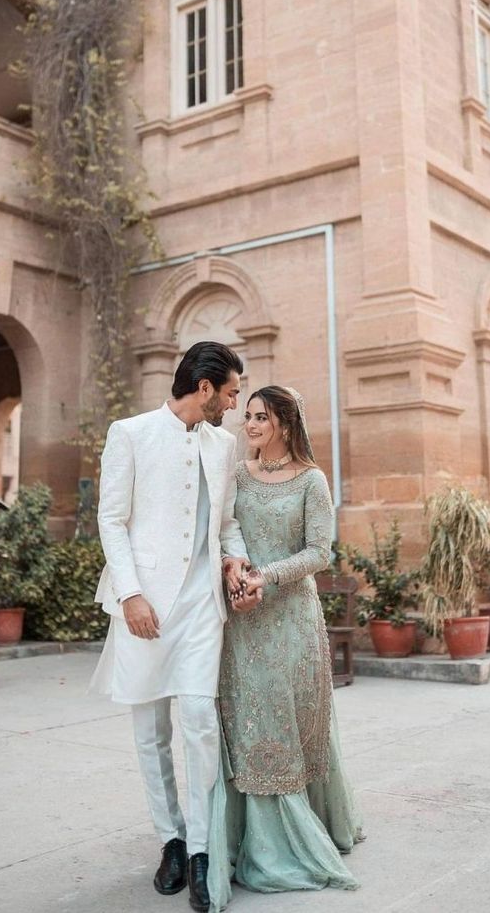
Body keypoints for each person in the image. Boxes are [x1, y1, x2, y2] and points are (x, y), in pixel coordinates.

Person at [89, 341, 262, 913]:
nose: (236, 405)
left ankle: (201, 850)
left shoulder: (223, 443)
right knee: (150, 733)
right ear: (206, 387)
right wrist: (131, 593)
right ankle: (169, 840)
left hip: (199, 610)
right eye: (233, 392)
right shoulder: (130, 433)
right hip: (142, 608)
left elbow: (228, 521)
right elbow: (111, 519)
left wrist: (234, 558)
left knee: (197, 721)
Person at [208, 385, 365, 911]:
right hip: (243, 618)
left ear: (283, 423)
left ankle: (297, 833)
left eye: (260, 417)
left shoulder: (311, 479)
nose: (249, 424)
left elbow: (320, 552)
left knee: (289, 719)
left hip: (291, 618)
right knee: (248, 718)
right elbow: (226, 535)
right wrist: (236, 573)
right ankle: (243, 835)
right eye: (247, 415)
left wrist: (265, 577)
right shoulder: (236, 475)